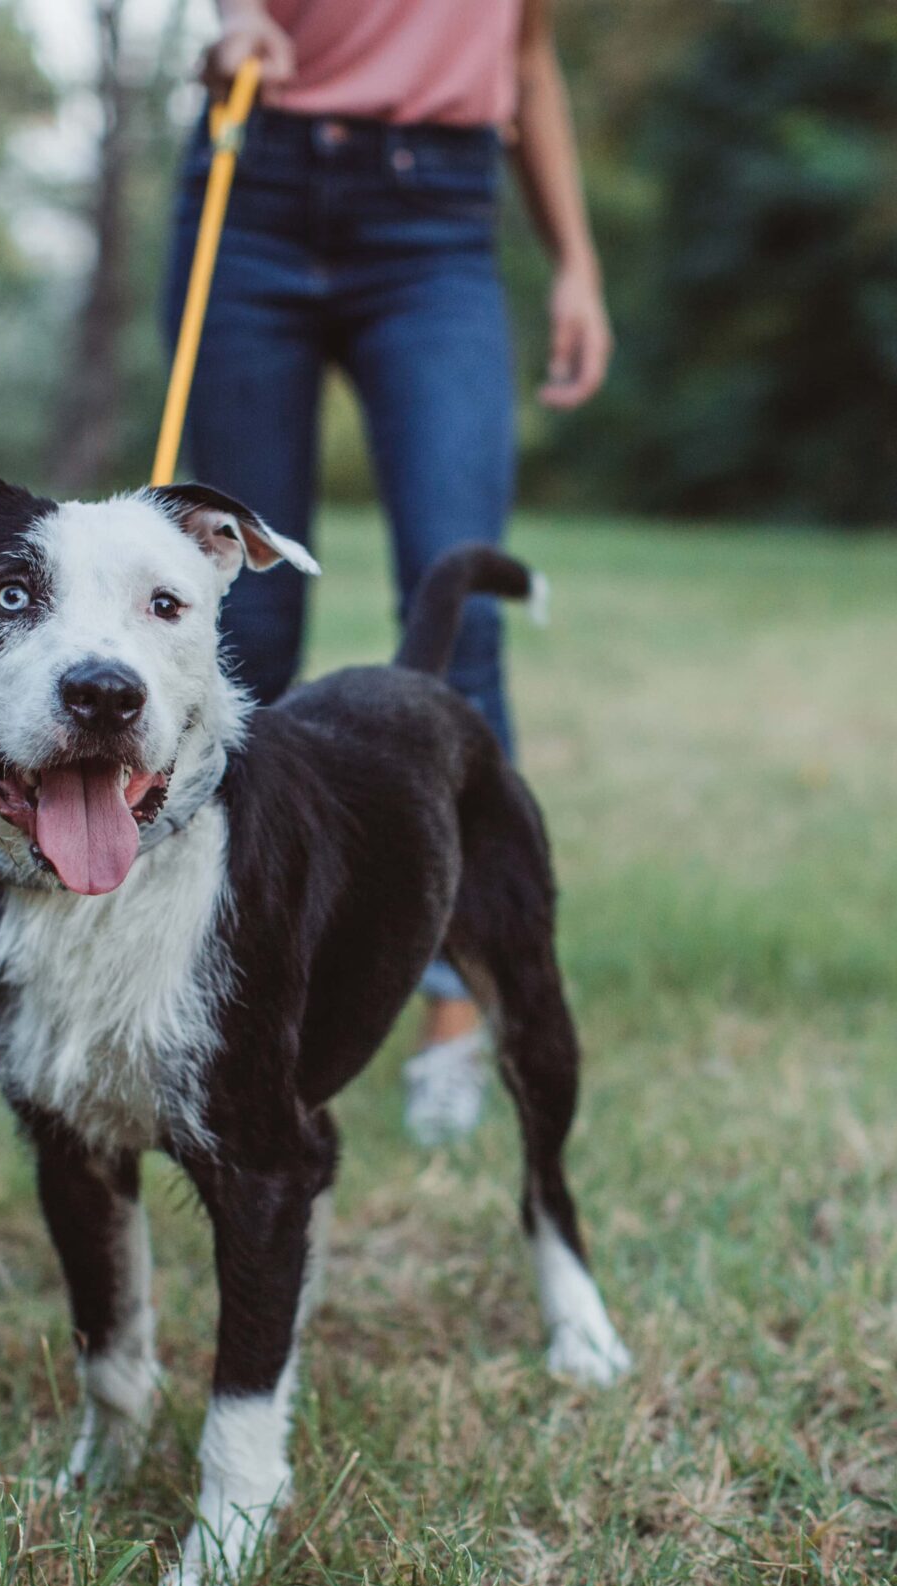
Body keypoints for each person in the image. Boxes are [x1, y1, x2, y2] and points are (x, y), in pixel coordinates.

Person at [165, 0, 612, 1145]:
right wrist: (235, 28)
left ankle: (455, 1006)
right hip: (257, 182)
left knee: (457, 625)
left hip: (437, 221)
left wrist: (576, 264)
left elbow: (527, 55)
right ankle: (211, 975)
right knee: (241, 624)